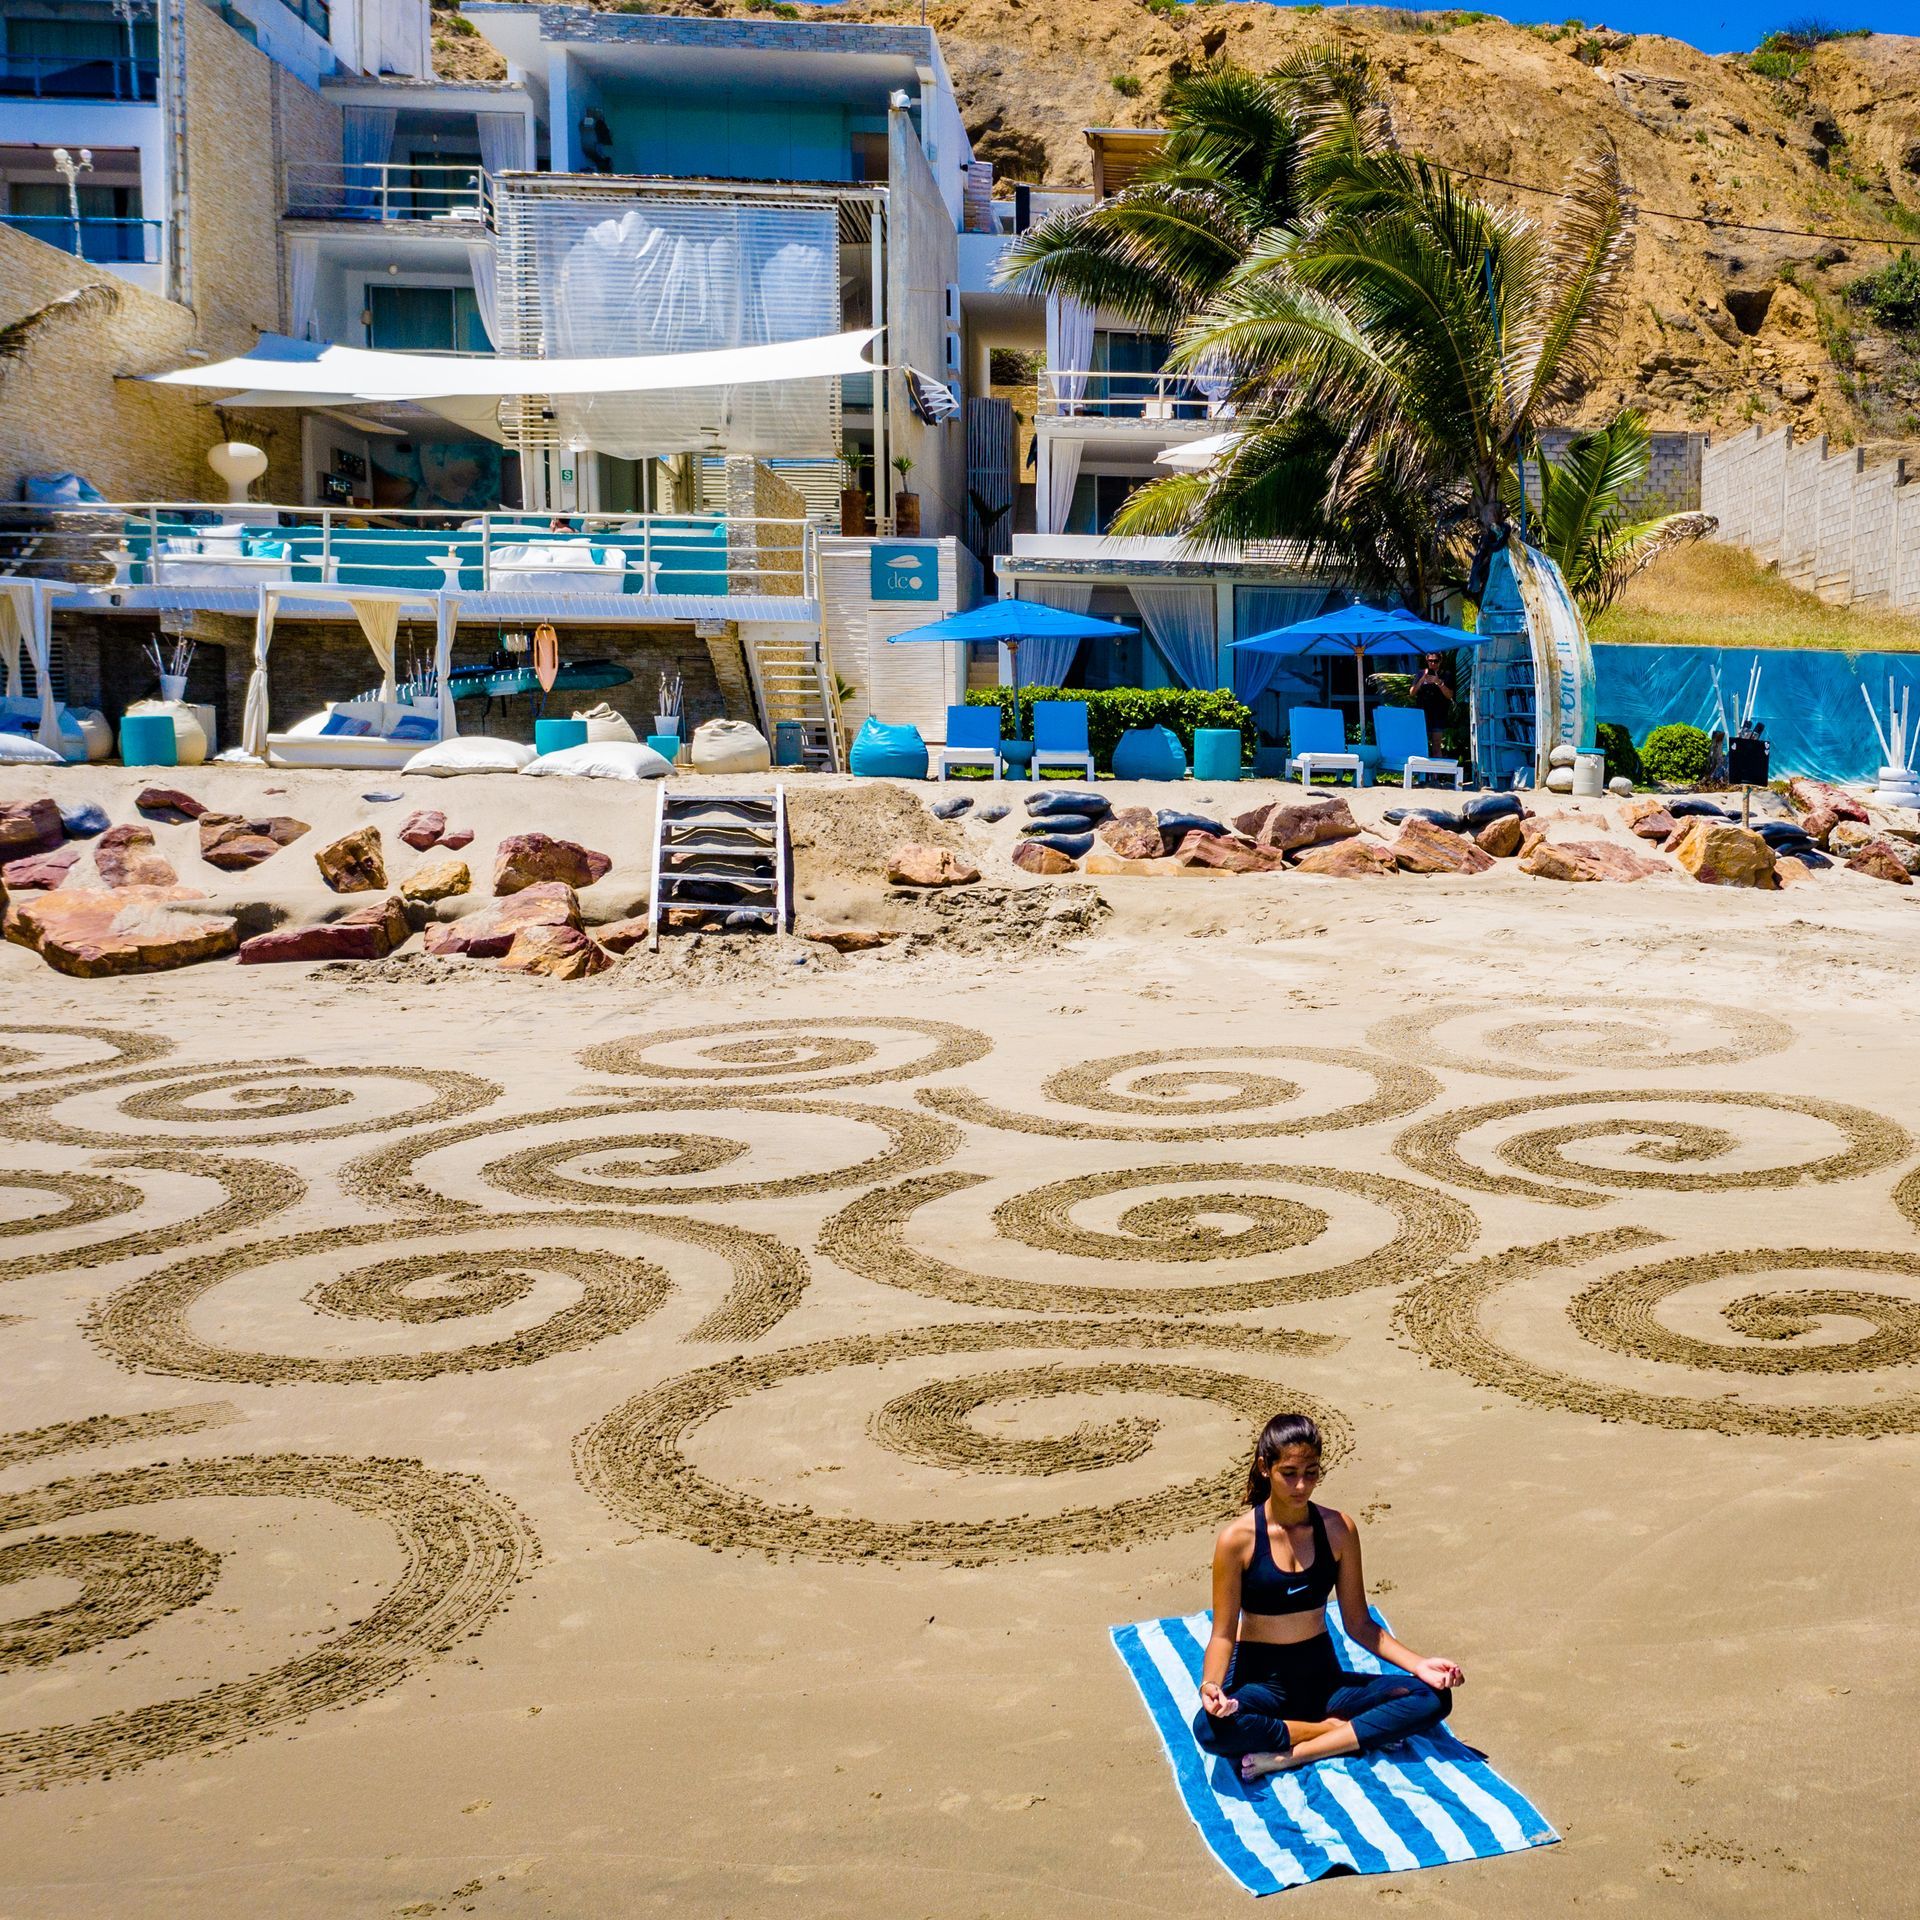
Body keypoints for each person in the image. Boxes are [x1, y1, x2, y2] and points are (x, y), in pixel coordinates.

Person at [1192, 1413, 1463, 1782]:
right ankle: (1336, 1731)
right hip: (1262, 1681)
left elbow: (1360, 1624)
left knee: (1432, 1697)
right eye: (1289, 1473)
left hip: (1322, 1678)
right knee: (1210, 1729)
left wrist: (1420, 1665)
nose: (1301, 1485)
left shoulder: (1338, 1529)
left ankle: (1293, 1754)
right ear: (1264, 1468)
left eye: (1311, 1472)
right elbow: (1223, 1634)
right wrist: (1210, 1685)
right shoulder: (1237, 1540)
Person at [1410, 653, 1453, 752]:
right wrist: (1422, 679)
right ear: (1427, 660)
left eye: (1435, 661)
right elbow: (1412, 692)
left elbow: (1450, 695)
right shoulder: (1421, 673)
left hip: (1439, 713)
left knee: (1437, 744)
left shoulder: (1446, 675)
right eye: (1430, 661)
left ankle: (1437, 766)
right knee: (1421, 743)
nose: (1433, 663)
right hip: (1423, 713)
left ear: (1440, 661)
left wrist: (1439, 682)